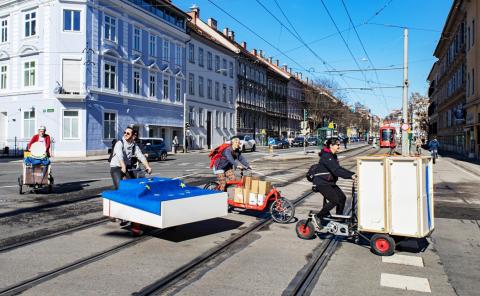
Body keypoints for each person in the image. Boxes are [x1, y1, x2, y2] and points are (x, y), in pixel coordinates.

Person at [307, 138, 356, 224]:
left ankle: (339, 217)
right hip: (321, 183)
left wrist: (351, 173)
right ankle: (318, 216)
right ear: (331, 145)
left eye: (339, 144)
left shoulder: (333, 156)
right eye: (337, 144)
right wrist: (350, 176)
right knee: (334, 200)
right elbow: (336, 170)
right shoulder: (326, 156)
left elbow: (339, 168)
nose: (339, 146)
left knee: (342, 198)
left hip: (329, 182)